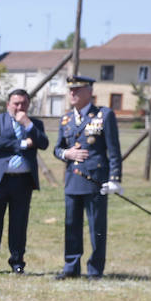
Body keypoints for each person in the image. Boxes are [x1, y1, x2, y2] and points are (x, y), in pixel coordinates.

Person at [52, 75, 122, 279]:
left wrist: (114, 178)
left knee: (96, 228)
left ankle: (95, 269)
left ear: (89, 92)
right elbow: (57, 148)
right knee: (71, 225)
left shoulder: (103, 115)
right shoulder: (66, 118)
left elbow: (113, 150)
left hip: (96, 181)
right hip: (73, 180)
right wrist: (67, 154)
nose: (72, 94)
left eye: (78, 90)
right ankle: (71, 267)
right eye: (70, 90)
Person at [0, 88, 48, 274]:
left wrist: (27, 124)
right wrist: (24, 144)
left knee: (19, 224)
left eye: (24, 103)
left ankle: (17, 262)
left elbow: (43, 143)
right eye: (16, 103)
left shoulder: (35, 124)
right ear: (8, 104)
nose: (20, 107)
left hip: (23, 181)